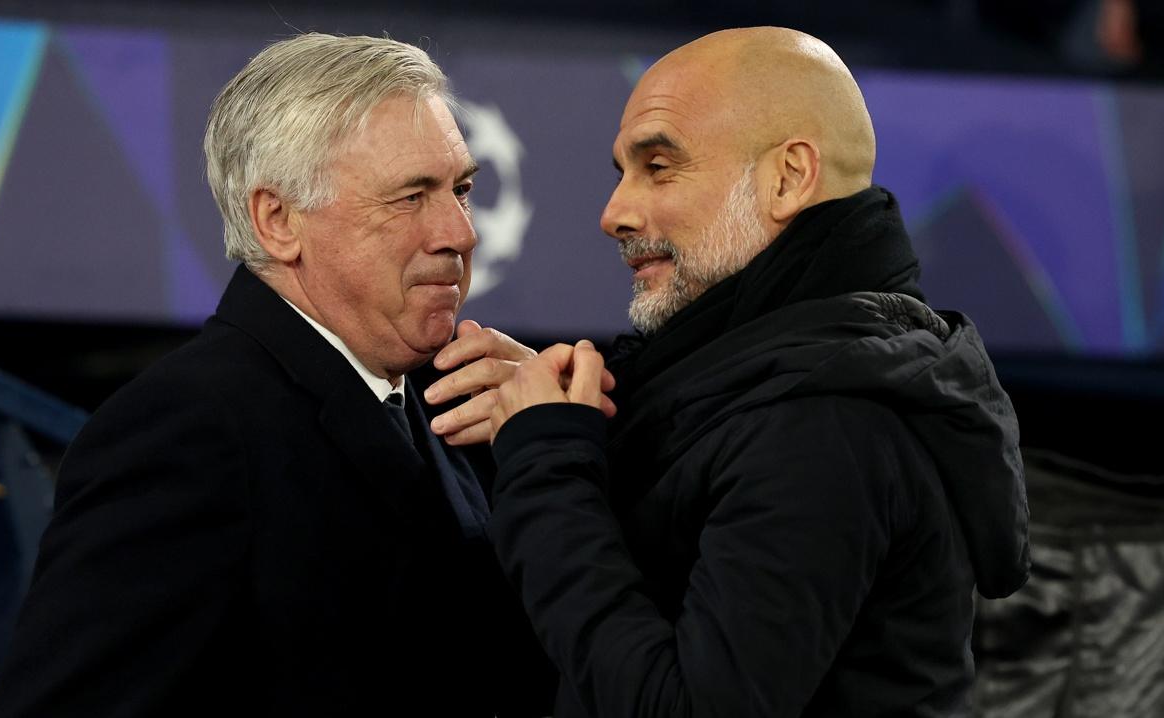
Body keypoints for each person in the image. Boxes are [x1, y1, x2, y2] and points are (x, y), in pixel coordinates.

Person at [429, 27, 1031, 717]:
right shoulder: (772, 376)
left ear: (788, 178)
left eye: (659, 166)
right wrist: (568, 411)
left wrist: (548, 467)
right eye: (622, 173)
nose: (614, 214)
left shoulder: (825, 425)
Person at [0, 33, 550, 717]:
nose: (461, 233)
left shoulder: (456, 402)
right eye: (411, 197)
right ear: (278, 221)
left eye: (461, 189)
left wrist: (559, 455)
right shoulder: (186, 430)